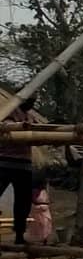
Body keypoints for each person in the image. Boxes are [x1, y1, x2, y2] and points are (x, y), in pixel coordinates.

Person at [0, 96, 39, 245]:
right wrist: (22, 127)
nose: (32, 104)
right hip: (4, 163)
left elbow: (37, 136)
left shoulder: (30, 116)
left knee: (23, 203)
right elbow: (9, 128)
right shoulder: (9, 112)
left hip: (24, 165)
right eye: (30, 101)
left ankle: (19, 235)